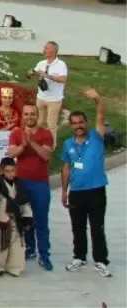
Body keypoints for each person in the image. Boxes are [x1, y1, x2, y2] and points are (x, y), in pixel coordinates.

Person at [61, 87, 110, 277]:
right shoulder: (68, 144)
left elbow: (100, 115)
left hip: (96, 190)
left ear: (86, 123)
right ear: (71, 126)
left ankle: (101, 260)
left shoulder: (97, 137)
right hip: (77, 192)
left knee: (97, 226)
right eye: (75, 123)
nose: (78, 126)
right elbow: (66, 168)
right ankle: (79, 257)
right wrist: (64, 191)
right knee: (77, 227)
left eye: (81, 122)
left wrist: (97, 99)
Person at [6, 102, 54, 270]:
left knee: (41, 220)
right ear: (22, 116)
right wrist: (23, 144)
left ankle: (44, 255)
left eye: (32, 114)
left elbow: (46, 155)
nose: (29, 117)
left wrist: (32, 141)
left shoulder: (46, 134)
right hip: (21, 182)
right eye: (26, 114)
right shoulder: (16, 133)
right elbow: (11, 153)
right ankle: (30, 249)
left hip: (40, 183)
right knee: (25, 219)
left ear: (37, 115)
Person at [0, 157, 33, 277]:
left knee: (16, 244)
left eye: (13, 171)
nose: (11, 174)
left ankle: (14, 267)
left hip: (16, 218)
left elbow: (25, 201)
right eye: (8, 171)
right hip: (1, 218)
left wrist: (27, 217)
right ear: (1, 171)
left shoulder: (20, 184)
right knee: (1, 243)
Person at [29, 41, 68, 142]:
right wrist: (31, 72)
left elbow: (63, 79)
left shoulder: (61, 64)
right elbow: (32, 72)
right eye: (44, 48)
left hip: (54, 100)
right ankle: (39, 141)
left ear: (53, 50)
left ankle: (52, 145)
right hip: (41, 98)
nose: (44, 50)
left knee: (51, 124)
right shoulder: (41, 63)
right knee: (40, 122)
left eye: (47, 48)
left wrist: (47, 76)